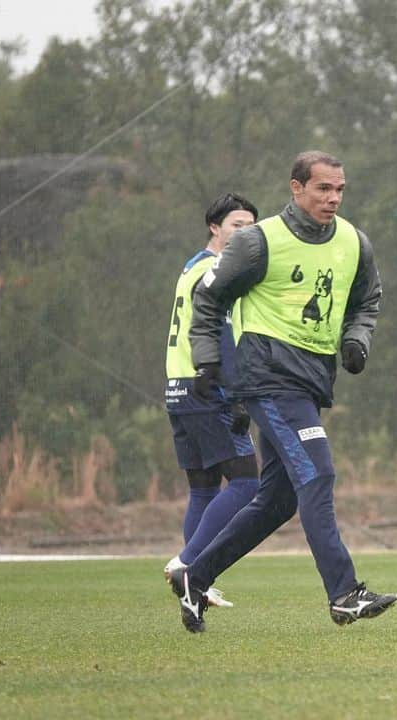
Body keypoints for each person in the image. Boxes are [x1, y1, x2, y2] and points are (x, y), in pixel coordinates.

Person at [169, 150, 395, 632]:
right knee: (318, 473)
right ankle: (344, 593)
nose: (333, 198)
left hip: (310, 381)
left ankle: (196, 576)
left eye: (339, 190)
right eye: (322, 189)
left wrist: (357, 338)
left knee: (278, 500)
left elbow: (367, 299)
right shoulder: (257, 242)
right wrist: (208, 358)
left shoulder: (356, 242)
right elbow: (209, 298)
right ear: (296, 188)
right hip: (267, 380)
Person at [163, 192, 261, 608]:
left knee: (202, 488)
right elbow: (219, 333)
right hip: (208, 387)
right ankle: (188, 565)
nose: (247, 232)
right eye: (238, 225)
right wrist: (236, 392)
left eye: (252, 227)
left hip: (177, 386)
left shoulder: (190, 267)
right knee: (247, 482)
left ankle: (196, 581)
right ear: (215, 227)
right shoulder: (218, 272)